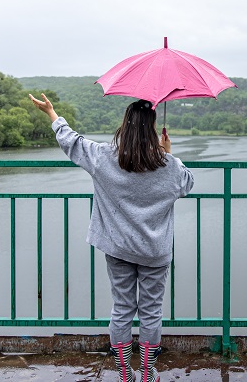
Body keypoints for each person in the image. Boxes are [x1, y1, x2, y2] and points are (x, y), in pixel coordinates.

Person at [29, 93, 194, 382]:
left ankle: (124, 374)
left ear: (125, 127)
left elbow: (72, 142)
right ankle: (147, 373)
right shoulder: (169, 166)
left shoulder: (103, 157)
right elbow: (187, 184)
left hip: (117, 249)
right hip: (155, 252)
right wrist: (166, 154)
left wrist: (52, 113)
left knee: (122, 309)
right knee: (152, 311)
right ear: (154, 129)